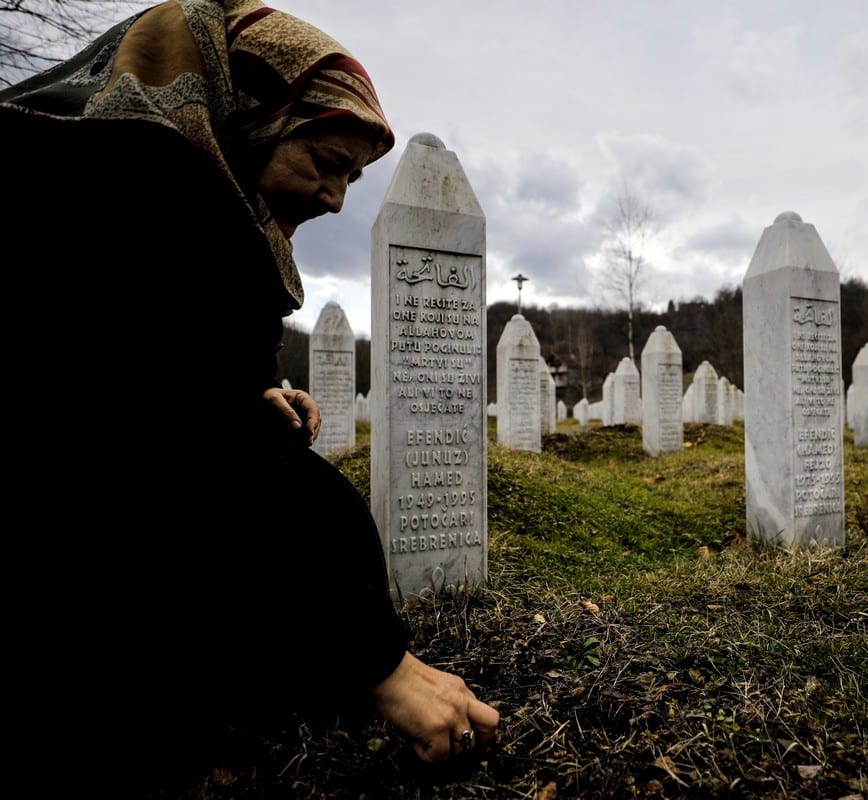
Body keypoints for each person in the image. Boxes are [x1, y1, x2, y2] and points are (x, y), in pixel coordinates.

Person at [0, 0, 498, 789]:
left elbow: (160, 390)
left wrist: (245, 394)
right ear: (253, 115)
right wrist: (384, 665)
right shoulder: (125, 183)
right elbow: (170, 442)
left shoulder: (191, 202)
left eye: (351, 178)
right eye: (327, 161)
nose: (336, 196)